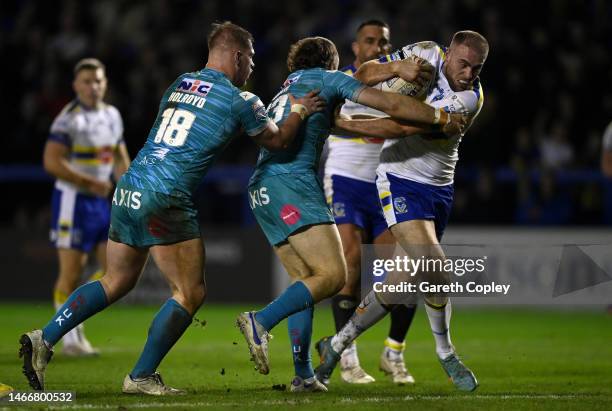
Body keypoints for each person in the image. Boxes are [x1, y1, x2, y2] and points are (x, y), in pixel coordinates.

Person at [19, 21, 325, 396]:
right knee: (190, 292)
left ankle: (44, 338)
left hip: (130, 185)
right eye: (252, 61)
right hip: (167, 194)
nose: (252, 69)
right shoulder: (241, 100)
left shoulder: (179, 83)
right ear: (239, 56)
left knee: (114, 280)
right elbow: (277, 142)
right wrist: (299, 110)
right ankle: (142, 375)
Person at [236, 36, 467, 392]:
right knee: (334, 275)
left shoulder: (287, 87)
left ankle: (304, 375)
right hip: (294, 186)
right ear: (330, 60)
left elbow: (335, 122)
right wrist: (439, 116)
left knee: (307, 283)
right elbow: (387, 102)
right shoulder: (328, 78)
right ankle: (261, 321)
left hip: (261, 187)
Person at [315, 30, 489, 393]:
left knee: (400, 284)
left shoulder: (470, 98)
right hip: (399, 178)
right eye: (463, 64)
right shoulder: (424, 53)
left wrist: (344, 123)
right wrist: (398, 67)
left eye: (477, 67)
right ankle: (446, 353)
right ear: (447, 53)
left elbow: (403, 123)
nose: (469, 73)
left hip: (438, 189)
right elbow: (362, 75)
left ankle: (335, 345)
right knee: (434, 266)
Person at [324, 19, 418, 385]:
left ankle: (393, 352)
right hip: (346, 181)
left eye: (384, 42)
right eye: (370, 41)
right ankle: (347, 356)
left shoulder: (404, 86)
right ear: (355, 48)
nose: (378, 47)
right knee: (349, 261)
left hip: (387, 185)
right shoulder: (341, 82)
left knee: (403, 274)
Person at [43, 58, 130, 356]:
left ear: (105, 83)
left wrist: (128, 191)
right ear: (76, 86)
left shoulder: (112, 116)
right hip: (72, 202)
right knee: (71, 273)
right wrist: (87, 181)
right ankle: (69, 339)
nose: (93, 87)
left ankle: (74, 329)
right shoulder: (69, 119)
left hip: (100, 203)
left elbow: (120, 159)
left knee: (113, 269)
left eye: (98, 81)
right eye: (87, 82)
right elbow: (51, 161)